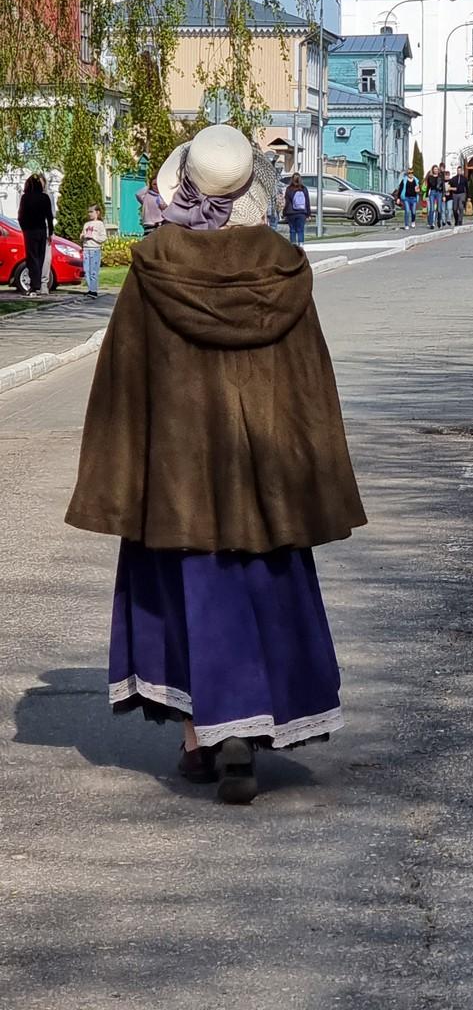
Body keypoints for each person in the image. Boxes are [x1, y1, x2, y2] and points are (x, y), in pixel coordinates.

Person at [65, 126, 366, 806]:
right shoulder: (284, 269)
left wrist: (124, 475)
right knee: (263, 589)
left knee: (185, 594)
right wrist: (308, 472)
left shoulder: (153, 267)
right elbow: (309, 383)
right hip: (264, 480)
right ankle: (247, 731)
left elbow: (124, 381)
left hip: (180, 474)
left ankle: (201, 739)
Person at [17, 173, 53, 296]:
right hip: (41, 231)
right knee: (40, 257)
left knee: (32, 258)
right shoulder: (45, 198)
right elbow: (49, 216)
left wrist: (24, 228)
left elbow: (20, 216)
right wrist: (50, 232)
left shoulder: (25, 198)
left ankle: (35, 285)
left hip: (30, 231)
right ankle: (38, 284)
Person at [80, 204, 107, 298]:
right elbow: (82, 235)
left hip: (95, 249)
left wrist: (93, 237)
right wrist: (83, 236)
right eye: (88, 212)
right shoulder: (86, 224)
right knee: (86, 270)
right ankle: (90, 289)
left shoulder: (99, 224)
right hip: (86, 249)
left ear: (97, 212)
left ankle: (94, 290)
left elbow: (103, 238)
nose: (89, 214)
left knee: (93, 271)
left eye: (91, 212)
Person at [283, 173, 310, 245]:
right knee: (301, 230)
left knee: (292, 230)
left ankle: (293, 245)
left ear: (292, 179)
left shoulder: (289, 189)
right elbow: (307, 202)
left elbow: (286, 202)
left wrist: (284, 213)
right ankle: (301, 245)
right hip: (302, 212)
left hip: (290, 213)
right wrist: (308, 214)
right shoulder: (304, 189)